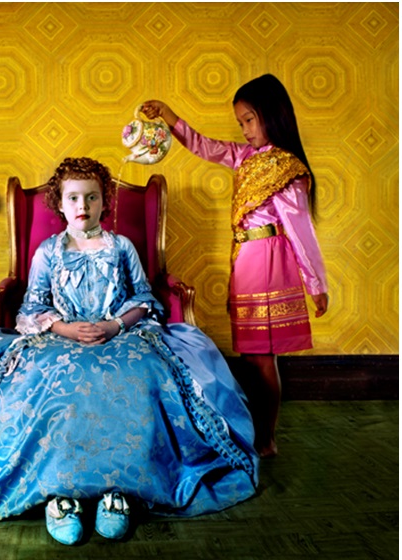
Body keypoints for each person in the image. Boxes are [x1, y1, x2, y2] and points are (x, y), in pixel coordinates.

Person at [0, 157, 259, 546]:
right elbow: (32, 307)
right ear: (60, 204)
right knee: (45, 388)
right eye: (73, 198)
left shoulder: (121, 247)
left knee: (139, 380)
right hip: (60, 336)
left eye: (91, 197)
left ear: (105, 203)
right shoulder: (48, 252)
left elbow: (143, 298)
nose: (82, 205)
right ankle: (59, 494)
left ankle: (118, 491)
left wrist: (115, 325)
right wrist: (65, 328)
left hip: (119, 332)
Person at [142, 74, 329, 458]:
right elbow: (205, 146)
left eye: (249, 120)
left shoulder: (286, 168)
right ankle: (254, 429)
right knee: (249, 355)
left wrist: (316, 284)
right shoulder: (246, 157)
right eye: (241, 122)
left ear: (272, 115)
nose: (244, 130)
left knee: (263, 355)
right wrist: (169, 116)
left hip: (271, 262)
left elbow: (301, 230)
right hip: (244, 261)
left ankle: (267, 438)